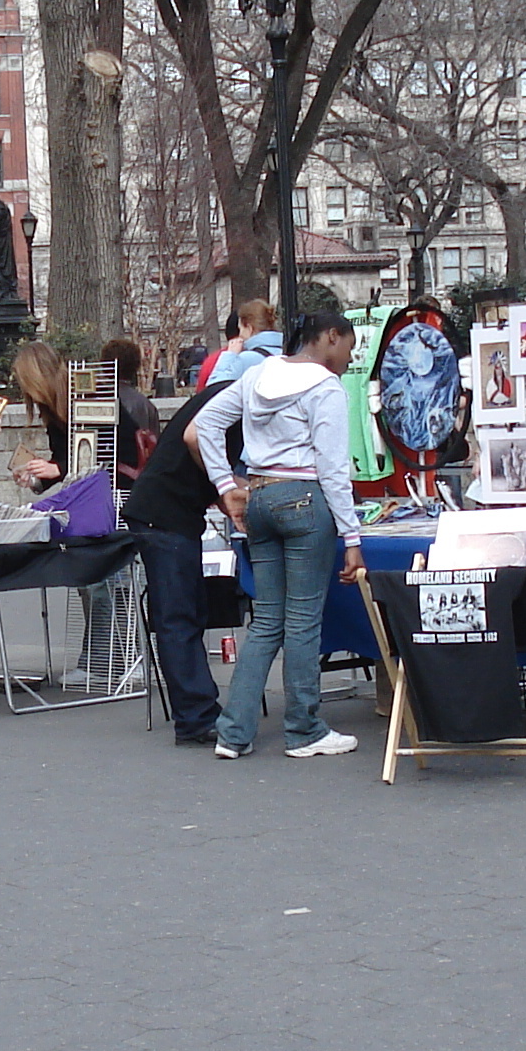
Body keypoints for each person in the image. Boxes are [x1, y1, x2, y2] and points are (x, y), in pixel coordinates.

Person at [192, 311, 366, 760]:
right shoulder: (326, 388)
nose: (350, 356)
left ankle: (233, 731)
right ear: (330, 337)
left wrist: (226, 484)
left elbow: (206, 424)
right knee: (304, 621)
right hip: (305, 500)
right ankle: (304, 728)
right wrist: (352, 537)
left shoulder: (257, 374)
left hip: (261, 496)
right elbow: (332, 469)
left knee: (267, 620)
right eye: (349, 345)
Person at [123, 363, 247, 744]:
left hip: (168, 512)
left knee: (184, 614)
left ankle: (196, 710)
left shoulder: (231, 395)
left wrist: (223, 488)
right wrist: (225, 486)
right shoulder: (241, 401)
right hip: (164, 515)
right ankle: (195, 716)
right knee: (178, 617)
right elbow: (196, 438)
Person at [6, 342, 71, 490]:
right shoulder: (51, 409)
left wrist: (59, 469)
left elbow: (102, 454)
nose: (26, 392)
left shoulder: (82, 399)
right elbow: (61, 458)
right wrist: (35, 478)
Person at [105, 338, 161, 487]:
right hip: (138, 484)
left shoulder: (94, 402)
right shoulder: (147, 406)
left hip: (101, 482)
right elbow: (155, 450)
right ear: (135, 367)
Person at [206, 299, 283, 390]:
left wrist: (230, 354)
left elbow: (213, 386)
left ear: (249, 328)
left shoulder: (247, 359)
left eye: (241, 329)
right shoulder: (288, 352)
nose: (240, 334)